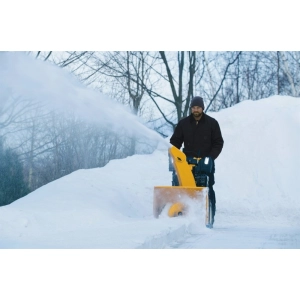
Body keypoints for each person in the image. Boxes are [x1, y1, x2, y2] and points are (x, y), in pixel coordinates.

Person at [170, 96, 224, 226]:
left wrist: (210, 157)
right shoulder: (183, 124)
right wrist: (175, 154)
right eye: (193, 108)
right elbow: (175, 142)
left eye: (198, 108)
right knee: (180, 187)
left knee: (207, 188)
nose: (195, 110)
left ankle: (209, 217)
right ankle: (179, 214)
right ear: (191, 109)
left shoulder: (212, 123)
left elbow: (218, 142)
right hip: (186, 162)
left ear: (203, 108)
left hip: (205, 163)